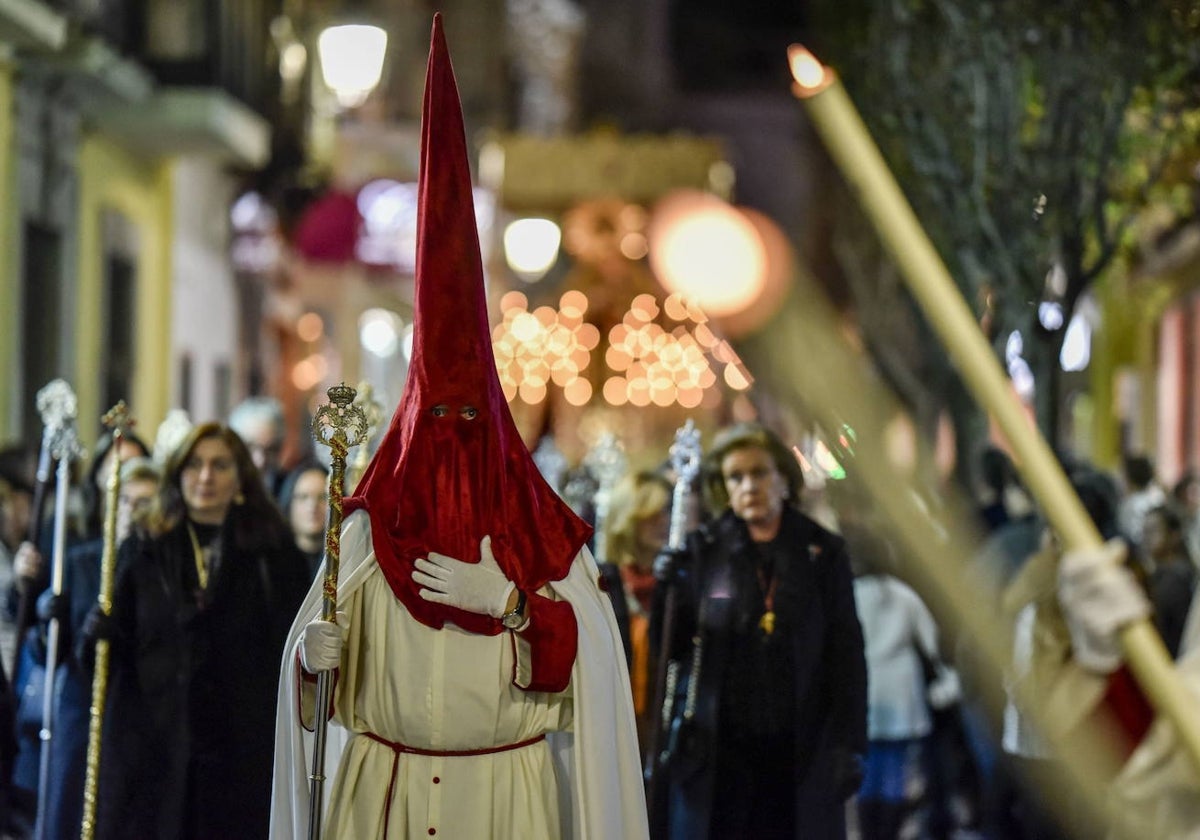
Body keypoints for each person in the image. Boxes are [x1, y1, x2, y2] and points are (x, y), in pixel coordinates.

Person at [270, 16, 647, 840]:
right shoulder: (366, 535)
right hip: (384, 798)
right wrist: (309, 666)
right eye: (433, 418)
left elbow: (596, 683)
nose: (449, 438)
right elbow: (312, 687)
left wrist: (514, 604)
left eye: (467, 419)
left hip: (503, 805)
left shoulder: (540, 539)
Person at [84, 422, 311, 839]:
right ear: (176, 473)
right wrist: (95, 631)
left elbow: (292, 649)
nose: (206, 477)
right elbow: (105, 659)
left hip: (240, 751)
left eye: (220, 465)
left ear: (240, 478)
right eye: (195, 465)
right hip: (153, 749)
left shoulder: (272, 555)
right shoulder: (144, 548)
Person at [652, 421, 867, 839]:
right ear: (724, 487)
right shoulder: (706, 549)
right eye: (736, 476)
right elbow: (673, 645)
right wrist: (667, 588)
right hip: (724, 754)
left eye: (760, 472)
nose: (749, 485)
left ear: (784, 479)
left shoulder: (821, 551)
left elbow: (846, 653)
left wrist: (849, 744)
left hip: (801, 748)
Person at [32, 455, 159, 840]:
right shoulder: (81, 561)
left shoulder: (163, 569)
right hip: (81, 711)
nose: (132, 512)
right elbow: (50, 654)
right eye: (125, 500)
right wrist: (45, 619)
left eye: (144, 503)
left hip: (137, 717)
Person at [847, 524, 961, 840]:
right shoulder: (902, 595)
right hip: (901, 693)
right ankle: (890, 831)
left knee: (869, 772)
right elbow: (931, 642)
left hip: (867, 693)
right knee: (896, 771)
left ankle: (870, 831)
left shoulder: (850, 596)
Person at [599, 469, 671, 736]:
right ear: (629, 518)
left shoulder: (674, 584)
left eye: (665, 511)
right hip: (613, 724)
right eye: (651, 514)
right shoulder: (602, 583)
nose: (663, 521)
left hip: (659, 727)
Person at [278, 461, 329, 578]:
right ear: (289, 503)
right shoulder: (273, 563)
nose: (313, 506)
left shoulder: (346, 561)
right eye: (303, 497)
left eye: (323, 497)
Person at [228, 396, 287, 497]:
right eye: (250, 447)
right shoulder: (217, 495)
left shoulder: (287, 492)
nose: (260, 461)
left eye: (270, 450)